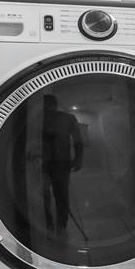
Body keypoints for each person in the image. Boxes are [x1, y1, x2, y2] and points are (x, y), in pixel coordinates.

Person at [41, 95, 84, 235]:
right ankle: (49, 224)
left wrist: (78, 158)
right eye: (45, 106)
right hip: (43, 162)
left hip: (61, 162)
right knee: (45, 194)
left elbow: (78, 140)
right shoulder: (37, 120)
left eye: (49, 105)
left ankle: (61, 225)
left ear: (55, 105)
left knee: (61, 194)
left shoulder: (68, 118)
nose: (47, 109)